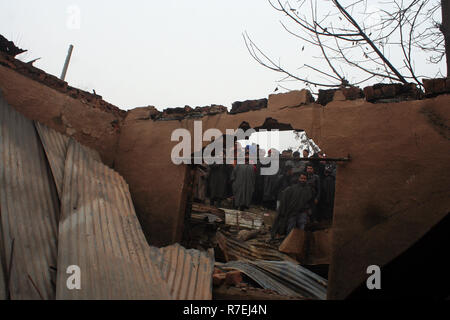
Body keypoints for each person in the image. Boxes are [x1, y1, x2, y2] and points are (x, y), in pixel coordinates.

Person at [271, 172, 314, 238]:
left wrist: (309, 210)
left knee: (301, 227)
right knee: (291, 228)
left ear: (306, 179)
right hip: (292, 212)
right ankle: (288, 242)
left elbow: (310, 201)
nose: (303, 180)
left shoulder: (308, 190)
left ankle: (298, 243)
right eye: (301, 178)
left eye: (304, 179)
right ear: (299, 179)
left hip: (303, 212)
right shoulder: (292, 188)